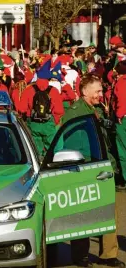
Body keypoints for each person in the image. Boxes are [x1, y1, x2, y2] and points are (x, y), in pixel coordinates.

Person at [62, 74, 125, 268]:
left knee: (109, 212)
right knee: (83, 212)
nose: (101, 94)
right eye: (97, 91)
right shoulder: (75, 112)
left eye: (101, 90)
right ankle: (80, 255)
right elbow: (76, 145)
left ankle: (109, 254)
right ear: (84, 91)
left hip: (103, 167)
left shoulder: (96, 110)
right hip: (87, 168)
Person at [20, 76, 64, 156]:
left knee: (35, 149)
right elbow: (59, 110)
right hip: (49, 123)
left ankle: (38, 163)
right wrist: (55, 121)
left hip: (33, 123)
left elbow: (22, 109)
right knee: (52, 149)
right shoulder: (54, 91)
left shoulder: (28, 90)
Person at [114, 61, 126, 190]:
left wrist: (119, 114)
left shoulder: (122, 82)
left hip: (124, 118)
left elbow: (122, 99)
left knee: (123, 150)